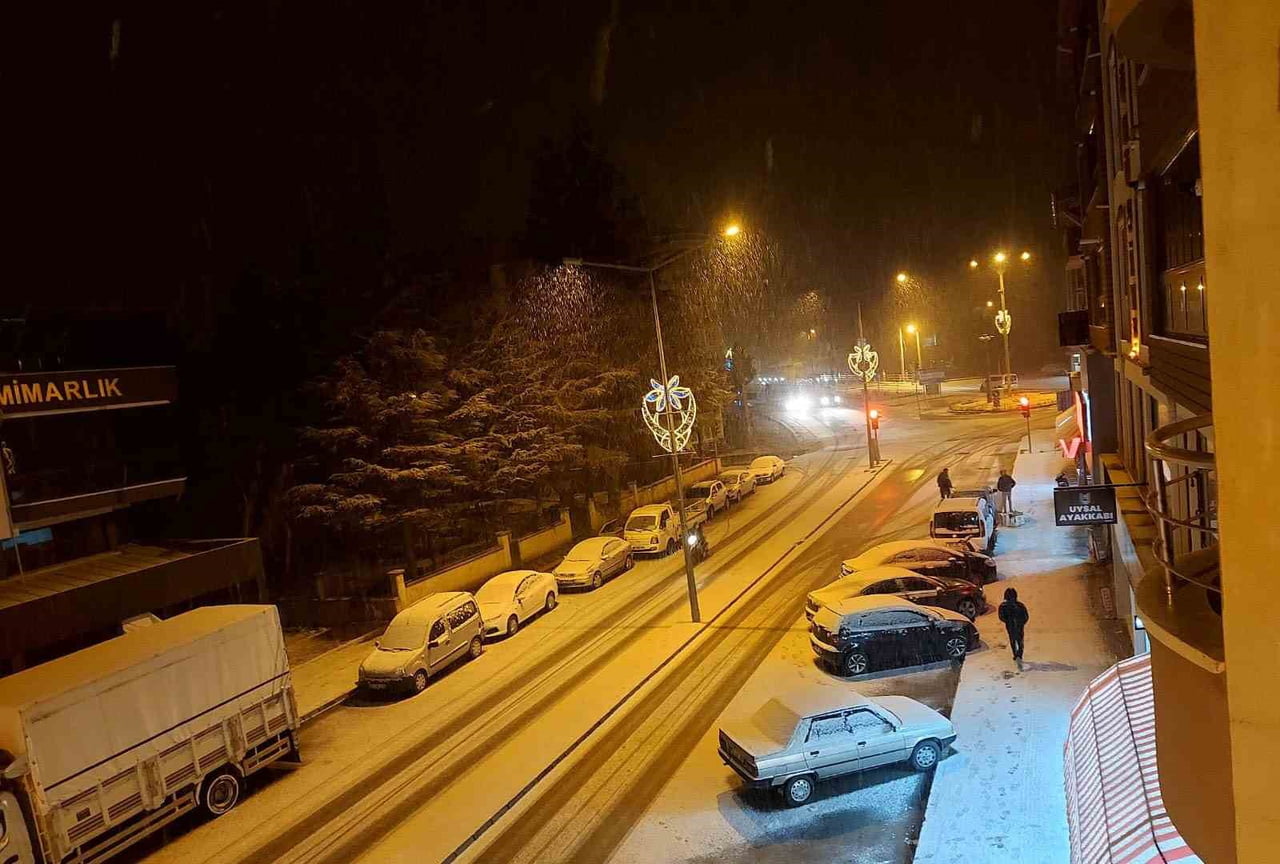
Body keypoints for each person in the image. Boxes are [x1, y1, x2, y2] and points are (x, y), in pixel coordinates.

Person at [998, 587, 1030, 661]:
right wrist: (1022, 622)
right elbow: (1026, 616)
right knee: (1019, 640)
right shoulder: (1020, 605)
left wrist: (1007, 621)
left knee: (1013, 640)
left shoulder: (1003, 606)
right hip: (1017, 625)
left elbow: (1001, 617)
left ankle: (1016, 654)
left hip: (1011, 625)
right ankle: (1019, 654)